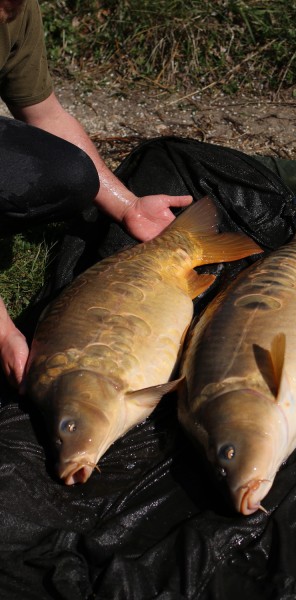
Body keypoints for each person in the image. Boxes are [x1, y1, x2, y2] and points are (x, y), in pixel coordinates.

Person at [0, 0, 192, 390]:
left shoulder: (16, 8)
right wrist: (3, 332)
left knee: (70, 174)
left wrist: (127, 205)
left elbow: (43, 113)